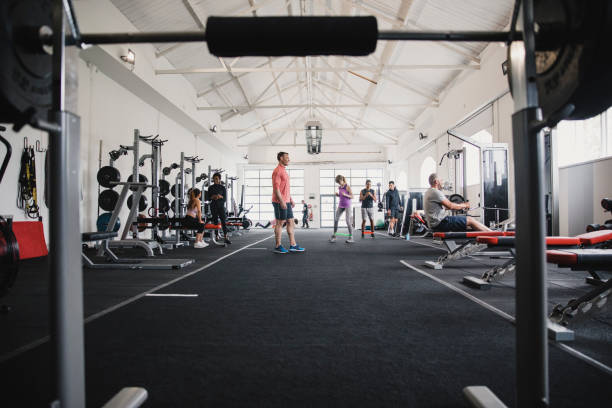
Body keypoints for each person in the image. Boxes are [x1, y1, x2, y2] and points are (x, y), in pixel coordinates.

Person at [424, 173, 491, 232]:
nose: (442, 183)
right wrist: (465, 205)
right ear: (436, 181)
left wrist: (459, 206)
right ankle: (494, 235)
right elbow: (450, 206)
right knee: (470, 220)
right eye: (441, 181)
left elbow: (444, 207)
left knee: (467, 224)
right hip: (441, 223)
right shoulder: (435, 192)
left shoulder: (428, 192)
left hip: (436, 223)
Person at [272, 152, 304, 253]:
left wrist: (290, 199)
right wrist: (282, 201)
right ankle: (278, 246)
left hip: (287, 201)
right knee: (280, 223)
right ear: (281, 158)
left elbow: (285, 189)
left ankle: (293, 245)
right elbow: (276, 189)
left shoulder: (284, 171)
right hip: (279, 201)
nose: (289, 159)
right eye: (287, 157)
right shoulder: (277, 171)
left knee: (291, 221)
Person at [208, 172, 232, 244]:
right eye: (214, 179)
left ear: (219, 179)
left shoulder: (223, 188)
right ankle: (216, 235)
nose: (215, 180)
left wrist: (220, 196)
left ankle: (225, 236)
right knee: (215, 221)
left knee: (223, 221)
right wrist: (213, 197)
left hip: (221, 206)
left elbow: (225, 199)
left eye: (216, 179)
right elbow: (208, 198)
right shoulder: (210, 187)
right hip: (213, 206)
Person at [330, 174, 354, 243]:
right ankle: (334, 236)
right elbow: (341, 196)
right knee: (336, 219)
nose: (338, 183)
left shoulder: (347, 186)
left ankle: (351, 237)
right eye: (337, 182)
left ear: (342, 180)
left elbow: (352, 196)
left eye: (339, 182)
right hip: (341, 205)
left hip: (347, 205)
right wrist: (338, 195)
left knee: (347, 221)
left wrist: (345, 194)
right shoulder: (339, 187)